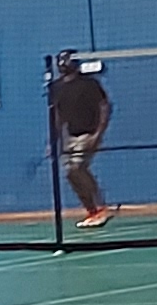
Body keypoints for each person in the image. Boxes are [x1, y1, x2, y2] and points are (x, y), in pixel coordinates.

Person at [47, 53, 113, 227]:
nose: (63, 65)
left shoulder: (90, 84)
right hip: (71, 135)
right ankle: (92, 210)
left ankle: (101, 207)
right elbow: (58, 115)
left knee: (78, 168)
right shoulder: (56, 87)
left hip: (88, 133)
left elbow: (104, 107)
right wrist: (54, 141)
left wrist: (98, 134)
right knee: (71, 173)